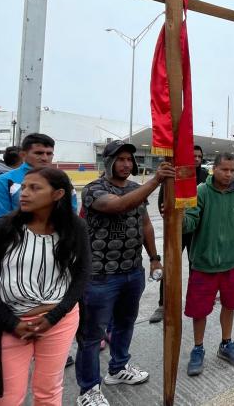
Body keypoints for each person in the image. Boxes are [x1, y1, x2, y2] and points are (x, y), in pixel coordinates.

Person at [0, 167, 90, 404]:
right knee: (6, 397)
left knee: (48, 392)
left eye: (34, 188)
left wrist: (53, 317)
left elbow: (82, 277)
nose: (24, 193)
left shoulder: (75, 228)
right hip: (10, 324)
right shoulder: (3, 228)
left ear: (57, 194)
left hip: (59, 322)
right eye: (23, 187)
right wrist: (12, 323)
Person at [75, 140, 174, 406]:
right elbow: (117, 206)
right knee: (91, 335)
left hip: (132, 271)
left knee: (125, 324)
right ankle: (88, 390)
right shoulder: (94, 189)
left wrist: (154, 259)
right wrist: (155, 182)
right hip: (99, 276)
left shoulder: (135, 188)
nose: (126, 164)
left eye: (130, 159)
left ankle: (118, 369)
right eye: (120, 159)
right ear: (107, 162)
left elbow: (145, 225)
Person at [182, 152, 234, 376]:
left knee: (230, 304)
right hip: (204, 263)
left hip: (232, 262)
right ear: (214, 169)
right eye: (225, 169)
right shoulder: (201, 192)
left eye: (233, 170)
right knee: (199, 310)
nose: (229, 174)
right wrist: (177, 217)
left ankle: (226, 343)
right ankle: (198, 348)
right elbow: (190, 222)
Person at [150, 144, 209, 323]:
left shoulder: (205, 177)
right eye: (193, 156)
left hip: (196, 229)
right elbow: (163, 201)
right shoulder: (175, 173)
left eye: (199, 156)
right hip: (177, 229)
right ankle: (163, 304)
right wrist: (170, 219)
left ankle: (195, 301)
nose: (197, 159)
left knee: (196, 266)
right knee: (170, 265)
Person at [0, 133, 76, 222]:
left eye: (49, 153)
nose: (45, 158)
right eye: (39, 153)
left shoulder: (62, 180)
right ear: (23, 155)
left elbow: (71, 213)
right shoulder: (3, 182)